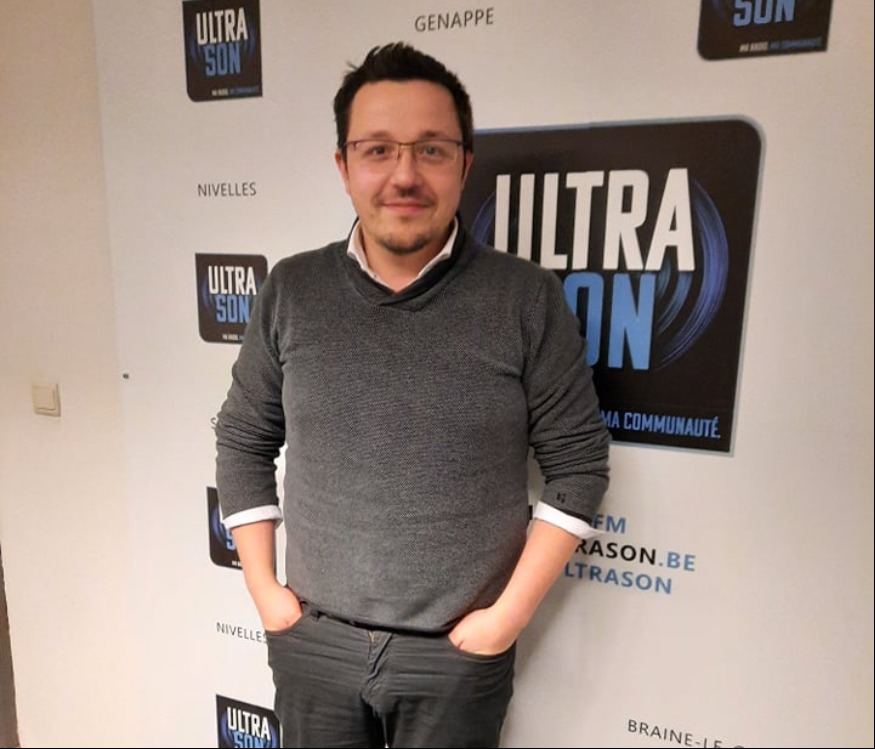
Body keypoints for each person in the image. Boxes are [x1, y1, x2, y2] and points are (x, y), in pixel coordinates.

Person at [214, 41, 611, 749]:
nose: (404, 175)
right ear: (344, 166)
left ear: (464, 162)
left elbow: (578, 465)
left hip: (454, 657)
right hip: (314, 644)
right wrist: (266, 595)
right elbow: (244, 439)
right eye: (378, 150)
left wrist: (505, 620)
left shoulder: (525, 298)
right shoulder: (291, 291)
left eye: (431, 150)